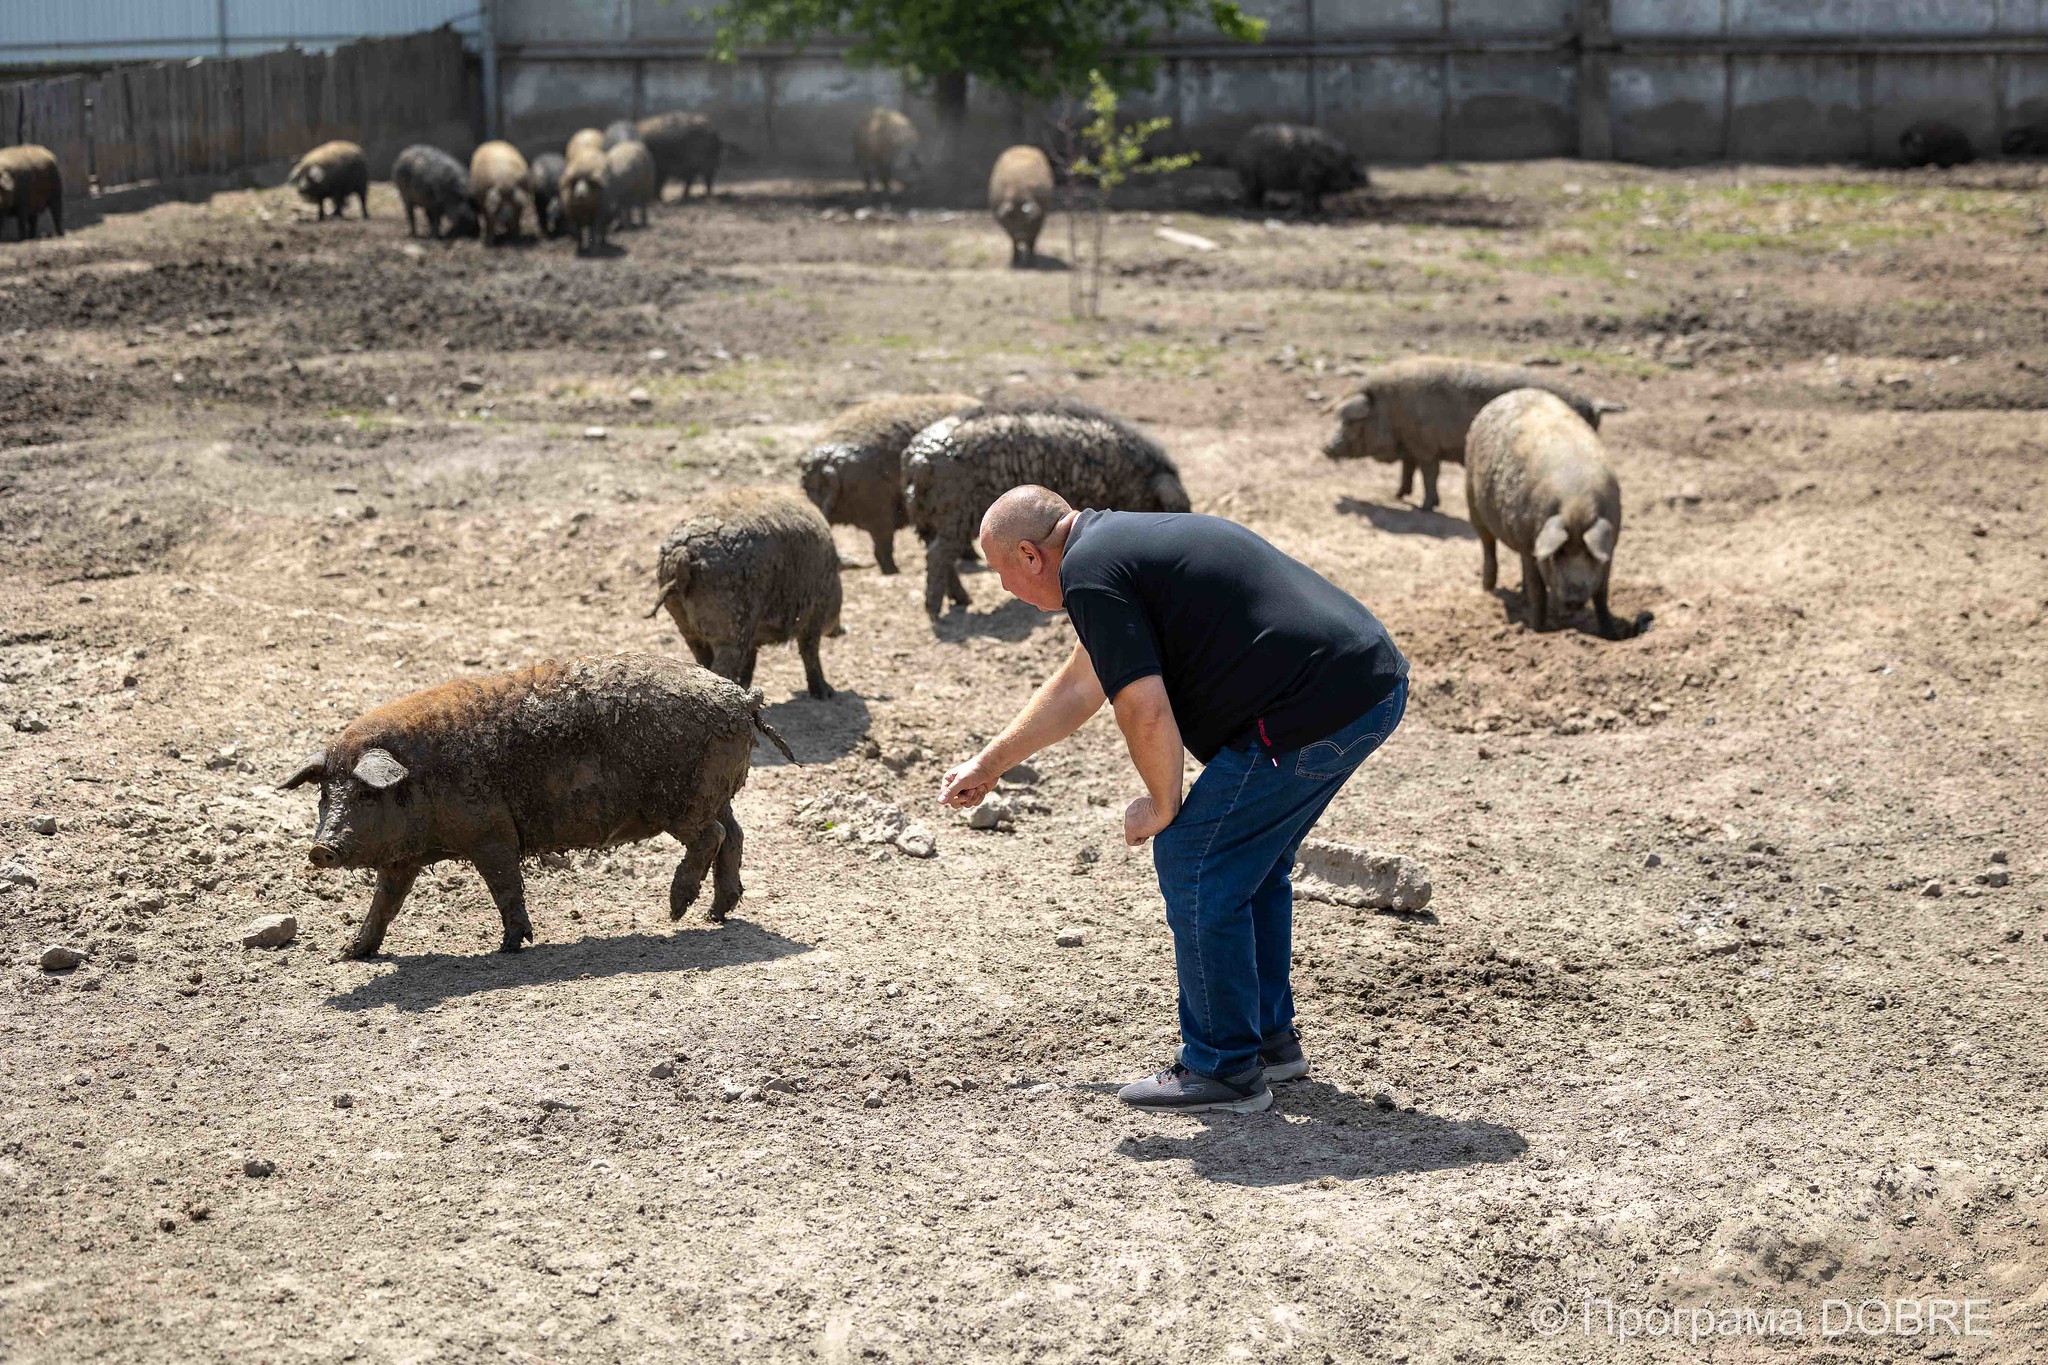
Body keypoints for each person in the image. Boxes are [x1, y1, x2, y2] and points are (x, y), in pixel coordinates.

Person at [939, 486, 1410, 1113]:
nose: (1004, 590)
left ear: (1030, 555)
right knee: (1249, 862)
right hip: (1365, 685)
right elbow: (1084, 684)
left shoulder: (1091, 574)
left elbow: (1144, 708)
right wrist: (990, 762)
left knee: (1194, 857)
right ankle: (1267, 1043)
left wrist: (1163, 805)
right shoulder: (1113, 548)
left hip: (1320, 705)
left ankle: (1222, 1066)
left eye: (1000, 573)